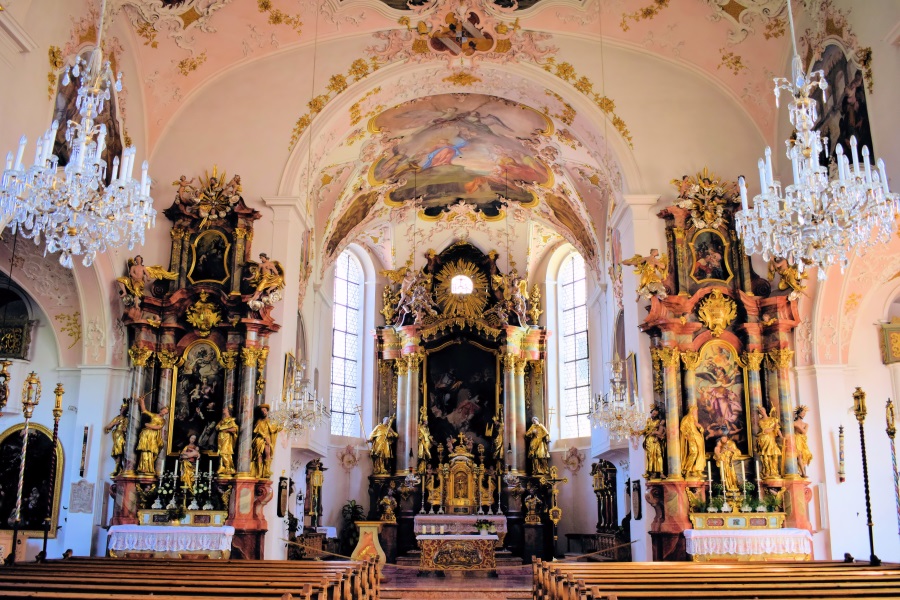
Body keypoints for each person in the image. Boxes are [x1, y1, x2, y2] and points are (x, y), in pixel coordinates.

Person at [136, 395, 169, 477]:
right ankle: (142, 468)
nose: (163, 413)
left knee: (151, 450)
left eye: (165, 413)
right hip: (146, 434)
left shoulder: (163, 420)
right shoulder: (154, 415)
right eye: (163, 411)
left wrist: (148, 425)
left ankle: (149, 468)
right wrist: (142, 401)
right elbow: (144, 410)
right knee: (144, 449)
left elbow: (159, 427)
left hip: (153, 435)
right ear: (161, 410)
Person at [250, 404, 282, 479]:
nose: (263, 412)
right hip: (259, 439)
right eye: (262, 411)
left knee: (267, 453)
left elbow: (274, 429)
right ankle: (259, 472)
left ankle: (266, 470)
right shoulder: (259, 421)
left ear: (267, 411)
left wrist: (281, 423)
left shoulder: (271, 421)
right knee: (259, 455)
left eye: (264, 410)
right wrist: (264, 437)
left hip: (268, 440)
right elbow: (257, 431)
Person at [679, 405, 706, 480]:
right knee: (693, 452)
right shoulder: (686, 418)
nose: (696, 412)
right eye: (695, 410)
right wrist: (687, 435)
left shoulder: (693, 418)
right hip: (691, 437)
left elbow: (697, 425)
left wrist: (701, 428)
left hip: (697, 437)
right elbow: (682, 428)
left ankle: (697, 469)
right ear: (691, 410)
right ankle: (687, 470)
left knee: (700, 452)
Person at [756, 405, 782, 479]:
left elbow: (778, 429)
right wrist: (773, 428)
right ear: (759, 413)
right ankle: (767, 471)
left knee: (774, 455)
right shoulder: (760, 421)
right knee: (766, 455)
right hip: (764, 439)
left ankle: (774, 471)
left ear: (765, 410)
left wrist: (781, 437)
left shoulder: (773, 419)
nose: (761, 411)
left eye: (762, 409)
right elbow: (765, 430)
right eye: (760, 411)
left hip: (771, 439)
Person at [104, 401, 129, 477]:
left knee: (119, 452)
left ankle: (117, 468)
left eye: (125, 409)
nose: (123, 410)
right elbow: (108, 427)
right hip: (116, 436)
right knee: (116, 452)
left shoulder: (127, 419)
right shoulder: (117, 418)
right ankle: (119, 468)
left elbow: (128, 429)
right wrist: (115, 424)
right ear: (120, 409)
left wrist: (125, 429)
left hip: (122, 436)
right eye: (122, 409)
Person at [641, 405, 666, 479]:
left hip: (656, 439)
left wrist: (658, 434)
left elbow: (663, 430)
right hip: (649, 440)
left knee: (659, 455)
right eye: (653, 413)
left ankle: (661, 472)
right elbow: (645, 429)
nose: (654, 415)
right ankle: (653, 473)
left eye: (655, 414)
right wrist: (639, 433)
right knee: (651, 456)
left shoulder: (659, 422)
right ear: (651, 413)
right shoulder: (648, 420)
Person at [216, 405, 239, 476]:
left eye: (225, 409)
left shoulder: (231, 420)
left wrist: (227, 429)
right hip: (221, 438)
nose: (223, 409)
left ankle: (229, 468)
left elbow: (235, 429)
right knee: (221, 453)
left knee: (224, 453)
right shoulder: (222, 420)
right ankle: (222, 467)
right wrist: (220, 427)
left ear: (228, 411)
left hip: (227, 438)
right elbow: (217, 427)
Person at [794, 405, 813, 478]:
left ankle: (802, 472)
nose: (803, 415)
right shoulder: (794, 423)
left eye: (804, 414)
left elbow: (804, 432)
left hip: (802, 441)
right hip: (796, 440)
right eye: (802, 413)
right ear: (798, 413)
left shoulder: (805, 424)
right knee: (799, 456)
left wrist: (798, 427)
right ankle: (803, 473)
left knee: (804, 456)